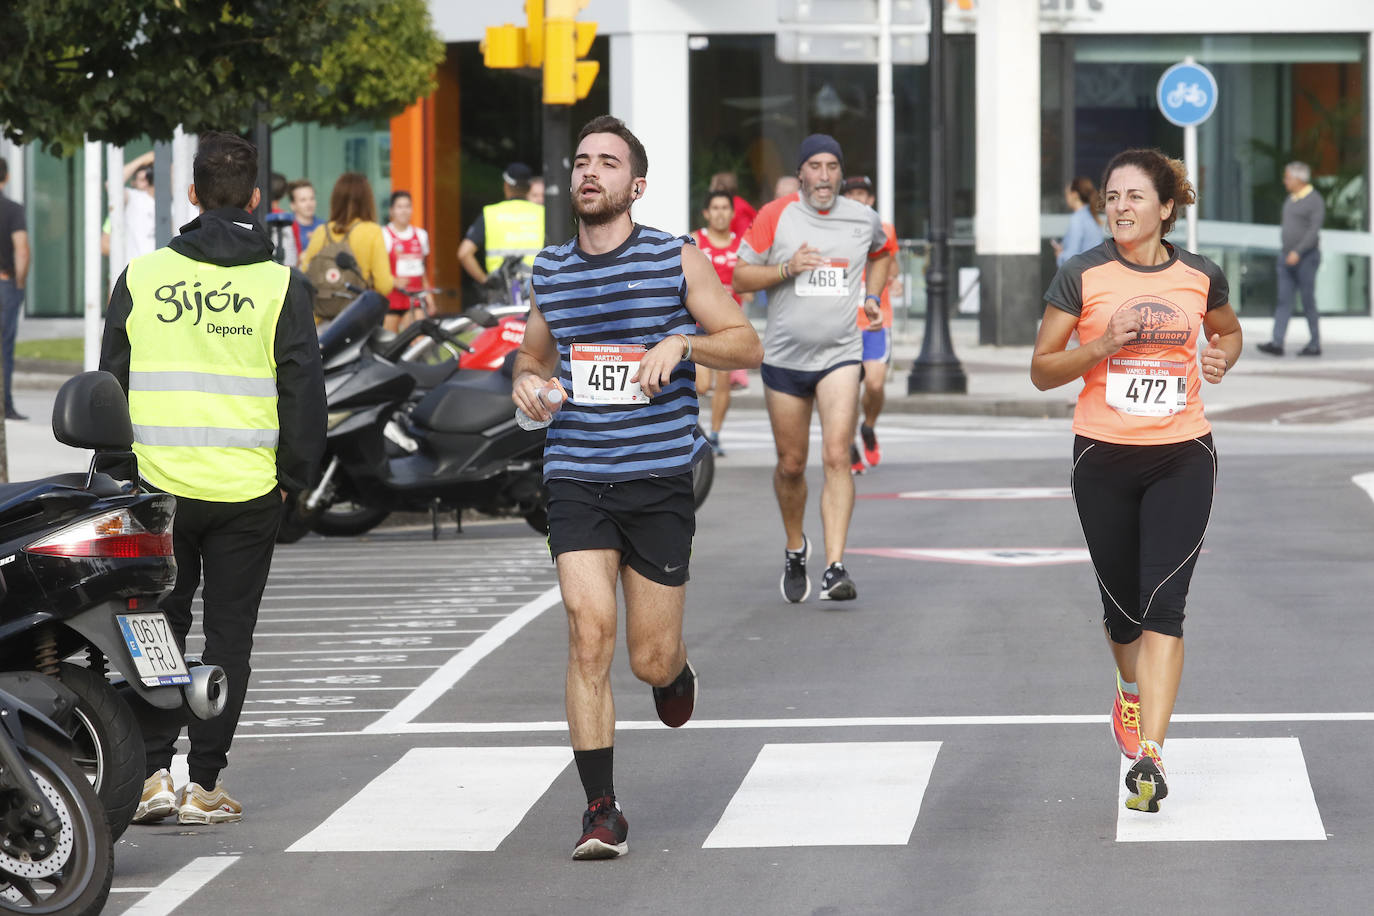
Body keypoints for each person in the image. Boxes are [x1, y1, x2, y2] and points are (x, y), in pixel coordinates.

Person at [512, 115, 761, 860]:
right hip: (577, 472)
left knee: (649, 661)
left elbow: (744, 340)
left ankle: (674, 669)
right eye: (583, 161)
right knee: (588, 632)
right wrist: (527, 385)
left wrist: (682, 340)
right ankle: (601, 809)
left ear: (635, 185)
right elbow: (531, 357)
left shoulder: (673, 259)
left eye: (608, 163)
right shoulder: (551, 271)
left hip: (656, 478)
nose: (590, 171)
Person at [100, 130, 326, 825]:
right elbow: (303, 393)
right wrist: (294, 479)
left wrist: (117, 474)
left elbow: (111, 384)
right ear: (257, 200)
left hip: (157, 495)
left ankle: (148, 780)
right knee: (229, 637)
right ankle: (203, 784)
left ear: (192, 197)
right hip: (246, 492)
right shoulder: (280, 285)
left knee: (155, 630)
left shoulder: (141, 278)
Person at [1030, 148, 1242, 814]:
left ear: (1166, 207)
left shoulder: (1201, 276)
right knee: (1122, 612)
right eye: (1112, 197)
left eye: (1134, 197)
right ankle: (1128, 689)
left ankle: (1150, 755)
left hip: (1183, 454)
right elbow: (1042, 368)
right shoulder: (1081, 274)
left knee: (1165, 606)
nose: (1120, 207)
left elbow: (1230, 334)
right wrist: (1102, 345)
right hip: (1103, 456)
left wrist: (1220, 355)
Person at [733, 134, 895, 603]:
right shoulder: (775, 216)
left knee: (836, 457)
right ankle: (794, 546)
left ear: (841, 173)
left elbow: (883, 253)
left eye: (831, 167)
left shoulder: (862, 219)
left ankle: (835, 566)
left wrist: (870, 296)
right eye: (814, 167)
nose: (823, 176)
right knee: (791, 464)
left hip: (840, 355)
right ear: (801, 173)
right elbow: (741, 276)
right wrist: (787, 268)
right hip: (784, 358)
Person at [840, 175, 901, 473]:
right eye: (850, 194)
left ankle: (868, 426)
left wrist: (895, 282)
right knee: (848, 388)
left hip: (877, 321)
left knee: (874, 384)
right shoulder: (834, 232)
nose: (856, 199)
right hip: (845, 322)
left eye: (861, 194)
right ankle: (849, 444)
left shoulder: (886, 230)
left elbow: (893, 267)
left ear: (871, 199)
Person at [694, 189, 754, 455]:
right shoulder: (695, 241)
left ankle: (715, 435)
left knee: (724, 383)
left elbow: (747, 286)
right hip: (698, 324)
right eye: (715, 208)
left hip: (728, 324)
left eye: (724, 208)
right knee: (701, 384)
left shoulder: (741, 245)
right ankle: (692, 431)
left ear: (732, 213)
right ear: (707, 213)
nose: (720, 213)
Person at [299, 172, 394, 321]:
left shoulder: (321, 231)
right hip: (356, 319)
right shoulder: (372, 231)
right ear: (367, 200)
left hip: (320, 319)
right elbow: (384, 285)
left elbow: (305, 274)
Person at [1258, 161, 1324, 357]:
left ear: (1299, 179)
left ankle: (1315, 344)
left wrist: (1299, 251)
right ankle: (1277, 343)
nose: (1285, 181)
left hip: (1306, 258)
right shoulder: (1291, 199)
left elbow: (1314, 231)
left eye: (1287, 177)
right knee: (1283, 300)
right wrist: (1288, 252)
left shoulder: (1314, 200)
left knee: (1307, 300)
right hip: (1286, 257)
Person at [457, 162, 545, 303]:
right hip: (536, 290)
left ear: (506, 186)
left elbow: (464, 253)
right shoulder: (544, 214)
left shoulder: (490, 213)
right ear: (528, 188)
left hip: (500, 289)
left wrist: (485, 281)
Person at [0, 158, 29, 421]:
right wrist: (19, 284)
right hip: (4, 283)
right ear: (6, 177)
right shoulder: (12, 209)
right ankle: (4, 405)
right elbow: (21, 249)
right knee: (4, 348)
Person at [382, 190, 435, 332]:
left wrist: (429, 296)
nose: (404, 211)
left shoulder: (421, 235)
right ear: (391, 210)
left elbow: (421, 269)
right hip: (392, 301)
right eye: (399, 207)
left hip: (415, 299)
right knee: (390, 345)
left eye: (407, 206)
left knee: (417, 342)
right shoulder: (384, 235)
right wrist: (393, 280)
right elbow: (377, 271)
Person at [101, 151, 158, 273]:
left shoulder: (176, 201)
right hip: (137, 273)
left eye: (149, 177)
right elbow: (111, 185)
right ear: (133, 183)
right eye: (142, 179)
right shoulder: (133, 199)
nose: (146, 183)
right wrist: (144, 159)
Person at [1052, 176, 1104, 267]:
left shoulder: (1077, 219)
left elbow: (1070, 258)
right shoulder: (1092, 217)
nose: (1066, 198)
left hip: (1080, 275)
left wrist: (1060, 255)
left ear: (1075, 195)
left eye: (1067, 194)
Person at [284, 179, 323, 267]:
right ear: (293, 205)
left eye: (312, 198)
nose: (309, 204)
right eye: (303, 200)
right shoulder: (287, 229)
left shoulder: (324, 227)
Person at [708, 171, 757, 241]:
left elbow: (744, 240)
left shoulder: (735, 206)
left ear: (721, 188)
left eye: (713, 185)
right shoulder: (736, 202)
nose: (710, 189)